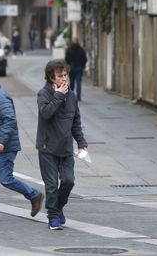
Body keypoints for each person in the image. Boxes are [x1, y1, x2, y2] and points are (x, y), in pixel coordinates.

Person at [0, 68, 44, 222]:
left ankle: (34, 195)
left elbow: (10, 120)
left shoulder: (0, 97)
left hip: (3, 148)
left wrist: (1, 141)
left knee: (6, 179)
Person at [36, 59, 88, 230]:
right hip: (47, 147)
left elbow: (75, 121)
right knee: (51, 185)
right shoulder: (43, 94)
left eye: (65, 75)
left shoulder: (72, 96)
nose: (64, 78)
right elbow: (46, 113)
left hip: (65, 147)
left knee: (69, 181)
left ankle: (57, 207)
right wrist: (58, 96)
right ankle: (53, 217)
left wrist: (81, 142)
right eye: (60, 76)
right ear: (52, 78)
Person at [65, 37, 87, 101]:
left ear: (72, 41)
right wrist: (82, 66)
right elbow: (85, 59)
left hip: (72, 68)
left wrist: (69, 65)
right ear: (78, 41)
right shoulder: (81, 49)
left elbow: (67, 59)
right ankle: (78, 97)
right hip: (79, 68)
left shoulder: (69, 49)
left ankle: (71, 96)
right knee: (78, 83)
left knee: (72, 83)